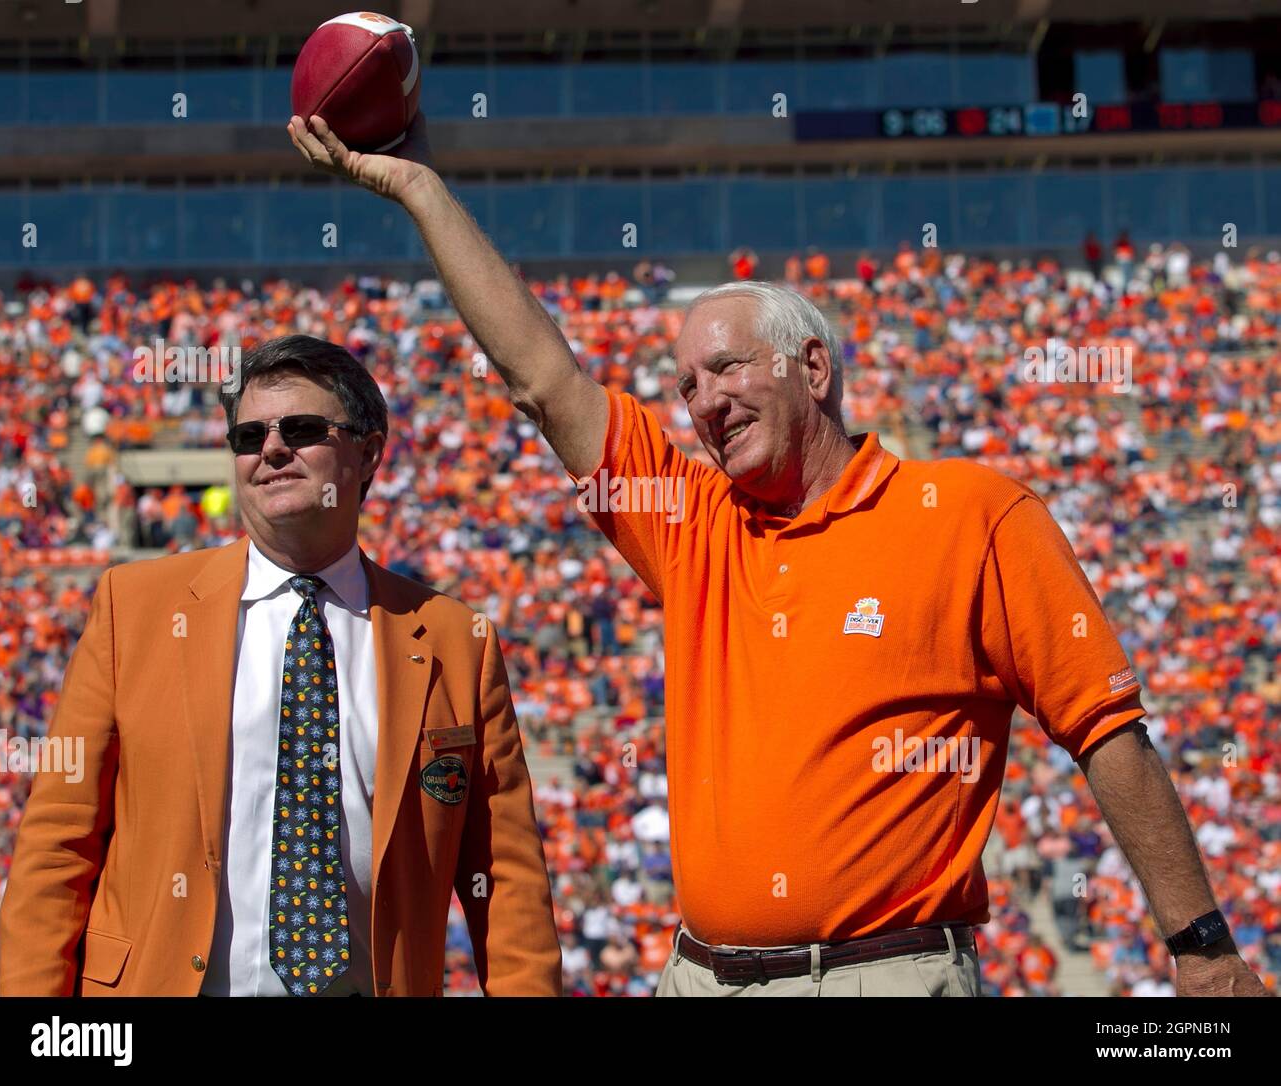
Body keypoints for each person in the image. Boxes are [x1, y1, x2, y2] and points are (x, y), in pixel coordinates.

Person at [284, 111, 1269, 998]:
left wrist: (1199, 942)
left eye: (726, 366)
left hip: (885, 976)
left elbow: (1107, 732)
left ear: (814, 368)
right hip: (697, 976)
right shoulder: (693, 523)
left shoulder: (972, 514)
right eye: (684, 385)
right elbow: (544, 380)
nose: (703, 400)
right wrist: (419, 189)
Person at [0, 334, 561, 997]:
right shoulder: (134, 609)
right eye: (248, 436)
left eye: (301, 429)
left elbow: (506, 877)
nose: (270, 449)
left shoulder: (452, 640)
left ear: (369, 450)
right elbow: (57, 847)